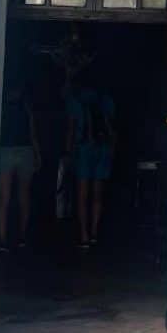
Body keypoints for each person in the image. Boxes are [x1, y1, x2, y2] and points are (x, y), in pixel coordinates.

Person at [66, 72, 116, 250]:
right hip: (102, 149)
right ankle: (94, 233)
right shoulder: (105, 98)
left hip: (83, 149)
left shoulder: (76, 99)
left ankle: (84, 235)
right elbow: (111, 125)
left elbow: (71, 129)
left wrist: (67, 152)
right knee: (97, 195)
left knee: (82, 196)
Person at [0, 78, 41, 252]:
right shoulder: (26, 107)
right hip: (24, 151)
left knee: (5, 198)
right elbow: (33, 134)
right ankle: (22, 235)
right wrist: (38, 155)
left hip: (6, 151)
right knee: (23, 196)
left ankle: (3, 239)